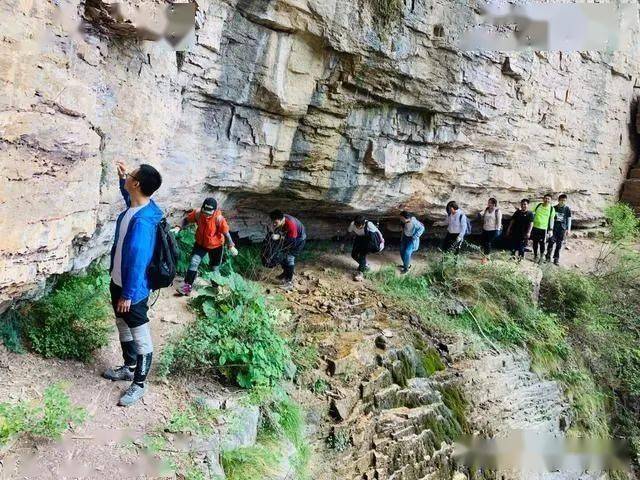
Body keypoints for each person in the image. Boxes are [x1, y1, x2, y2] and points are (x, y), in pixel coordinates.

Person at [104, 161, 163, 407]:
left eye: (130, 175)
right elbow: (131, 202)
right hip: (119, 281)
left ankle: (139, 383)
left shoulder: (142, 223)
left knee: (139, 334)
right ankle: (129, 366)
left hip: (133, 289)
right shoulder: (139, 207)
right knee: (122, 324)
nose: (127, 176)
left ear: (136, 184)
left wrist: (128, 294)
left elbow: (138, 262)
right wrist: (122, 180)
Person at [177, 198, 239, 296]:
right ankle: (186, 288)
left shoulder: (219, 219)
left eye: (209, 213)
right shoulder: (197, 213)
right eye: (205, 212)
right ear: (202, 208)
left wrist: (231, 246)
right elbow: (186, 220)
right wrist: (178, 227)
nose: (206, 215)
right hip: (201, 244)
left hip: (216, 246)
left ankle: (216, 291)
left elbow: (226, 233)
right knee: (194, 262)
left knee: (214, 269)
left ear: (214, 211)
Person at [270, 210, 306, 290]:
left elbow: (292, 241)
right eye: (273, 222)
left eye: (275, 222)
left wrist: (279, 237)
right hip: (291, 237)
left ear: (281, 219)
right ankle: (285, 273)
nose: (274, 224)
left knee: (290, 258)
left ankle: (289, 282)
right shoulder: (281, 219)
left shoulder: (291, 225)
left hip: (298, 240)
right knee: (282, 255)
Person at [545, 194, 572, 265]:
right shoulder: (553, 208)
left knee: (559, 244)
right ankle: (548, 256)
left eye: (564, 201)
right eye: (561, 200)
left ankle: (556, 259)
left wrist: (568, 229)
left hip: (562, 229)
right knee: (551, 242)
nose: (563, 202)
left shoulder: (567, 209)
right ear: (558, 200)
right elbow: (550, 219)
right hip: (553, 228)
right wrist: (549, 229)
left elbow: (569, 219)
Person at [531, 194, 556, 263]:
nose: (547, 200)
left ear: (550, 200)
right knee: (535, 243)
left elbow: (552, 220)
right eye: (546, 198)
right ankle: (535, 256)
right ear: (543, 199)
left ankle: (541, 257)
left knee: (542, 243)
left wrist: (551, 229)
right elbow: (531, 213)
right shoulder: (538, 205)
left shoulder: (551, 209)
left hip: (544, 229)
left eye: (548, 199)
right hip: (535, 227)